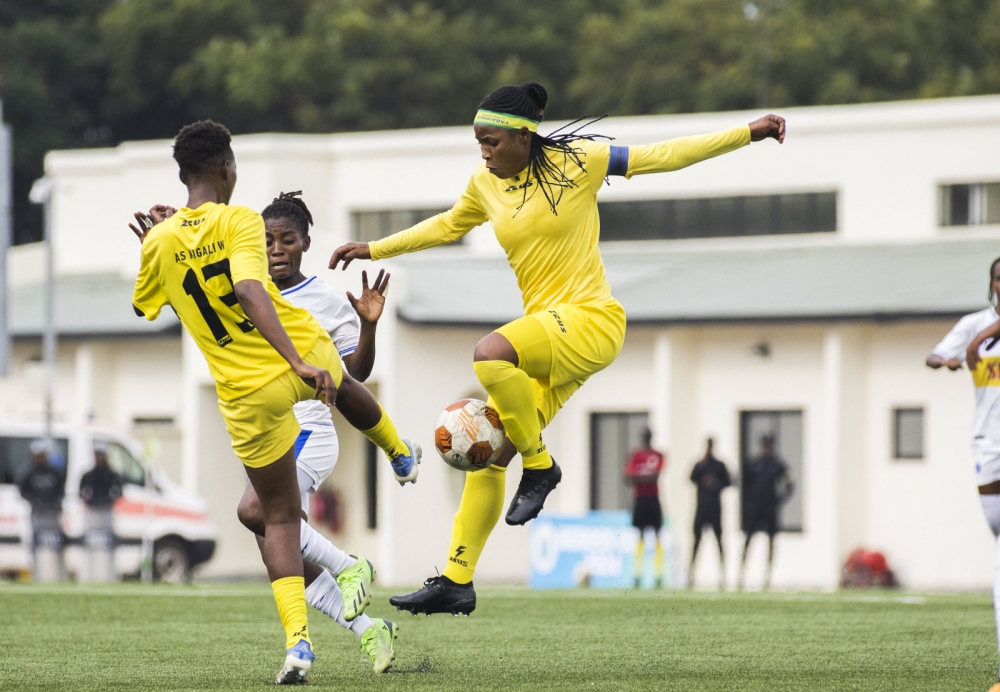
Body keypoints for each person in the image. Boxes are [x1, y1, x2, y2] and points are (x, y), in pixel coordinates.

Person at [329, 80, 785, 615]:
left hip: (592, 322)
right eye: (478, 141)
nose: (484, 151)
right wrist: (373, 247)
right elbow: (448, 225)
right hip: (550, 333)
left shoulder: (581, 161)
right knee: (492, 451)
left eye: (492, 141)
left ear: (524, 136)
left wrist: (747, 134)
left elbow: (664, 156)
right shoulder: (485, 183)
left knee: (490, 353)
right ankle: (457, 580)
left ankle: (541, 467)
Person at [129, 121, 419, 684]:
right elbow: (247, 288)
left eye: (286, 240)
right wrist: (297, 362)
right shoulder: (237, 223)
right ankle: (360, 626)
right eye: (270, 241)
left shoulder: (168, 241)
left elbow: (147, 307)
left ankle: (396, 458)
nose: (275, 248)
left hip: (255, 395)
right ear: (227, 170)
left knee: (268, 515)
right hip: (289, 368)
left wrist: (156, 247)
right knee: (264, 523)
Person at [928, 256, 1000, 692]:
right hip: (987, 447)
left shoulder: (982, 331)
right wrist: (949, 359)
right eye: (999, 278)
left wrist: (982, 340)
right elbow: (934, 355)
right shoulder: (972, 322)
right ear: (991, 284)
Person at [737, 434, 793, 590]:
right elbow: (743, 484)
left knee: (771, 541)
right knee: (748, 539)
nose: (767, 448)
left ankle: (767, 577)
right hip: (755, 509)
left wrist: (780, 500)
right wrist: (748, 503)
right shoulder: (753, 464)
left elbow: (790, 483)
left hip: (770, 509)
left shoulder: (778, 465)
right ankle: (741, 575)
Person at [624, 427, 666, 588]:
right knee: (641, 536)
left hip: (652, 498)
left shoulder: (658, 455)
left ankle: (658, 574)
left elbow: (654, 476)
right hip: (640, 499)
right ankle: (638, 574)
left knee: (656, 536)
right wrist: (645, 477)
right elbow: (628, 478)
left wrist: (639, 477)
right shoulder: (635, 455)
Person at [18, 438, 65, 579]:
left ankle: (58, 574)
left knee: (55, 543)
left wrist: (54, 503)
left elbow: (60, 490)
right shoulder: (28, 471)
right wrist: (35, 501)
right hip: (38, 513)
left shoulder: (54, 471)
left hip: (52, 514)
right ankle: (38, 573)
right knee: (37, 544)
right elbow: (23, 491)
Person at [689, 438, 731, 589]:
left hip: (715, 508)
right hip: (701, 507)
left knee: (719, 540)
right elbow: (691, 478)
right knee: (696, 541)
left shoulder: (719, 466)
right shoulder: (700, 465)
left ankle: (723, 574)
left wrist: (715, 483)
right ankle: (691, 574)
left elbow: (728, 482)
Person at [79, 441, 124, 582]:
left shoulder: (111, 475)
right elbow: (82, 493)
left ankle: (109, 576)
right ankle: (89, 575)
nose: (99, 457)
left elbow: (118, 493)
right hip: (93, 513)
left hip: (106, 512)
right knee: (91, 545)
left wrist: (106, 500)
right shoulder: (89, 476)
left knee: (107, 545)